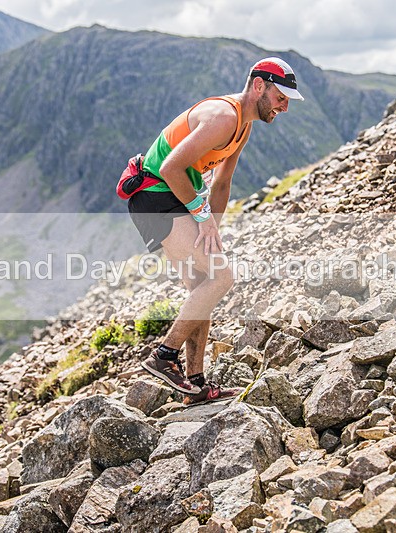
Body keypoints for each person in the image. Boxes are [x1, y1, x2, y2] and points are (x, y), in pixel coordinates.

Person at [129, 57, 304, 404]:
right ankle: (164, 356)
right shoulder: (224, 116)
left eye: (287, 101)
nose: (284, 107)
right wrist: (202, 215)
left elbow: (222, 184)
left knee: (204, 284)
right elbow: (171, 167)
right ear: (259, 86)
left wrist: (212, 231)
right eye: (280, 97)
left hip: (175, 198)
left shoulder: (243, 126)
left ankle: (195, 384)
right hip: (156, 195)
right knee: (221, 277)